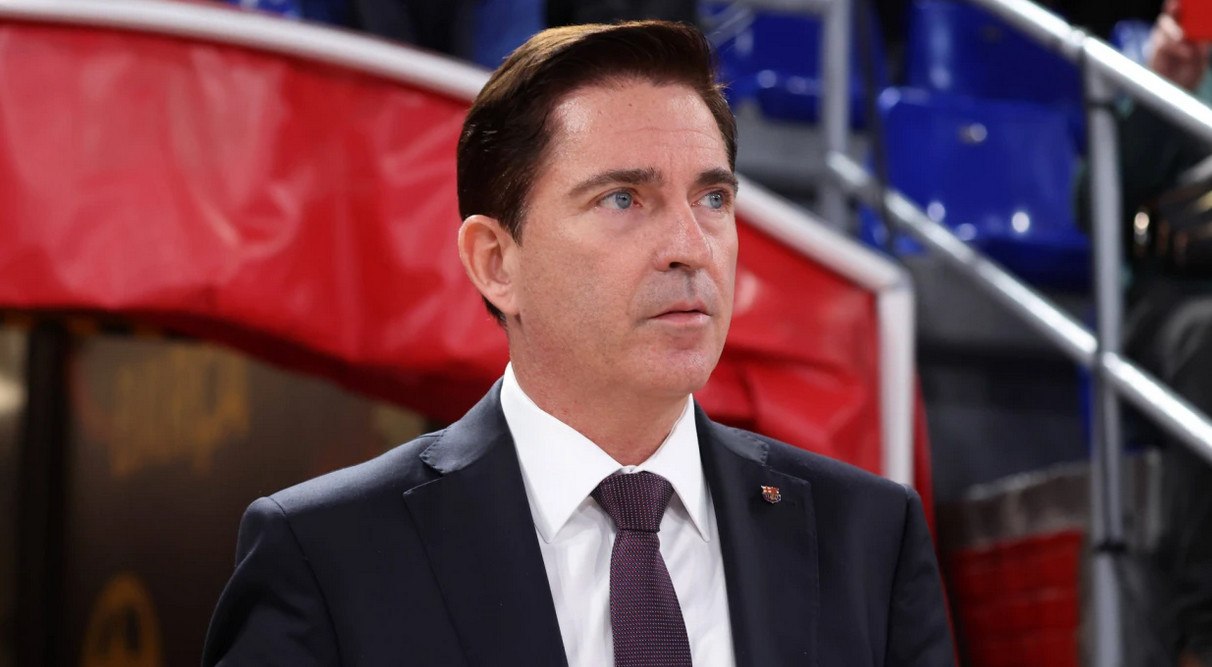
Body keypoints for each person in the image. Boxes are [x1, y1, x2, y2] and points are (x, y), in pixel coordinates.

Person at [203, 20, 954, 666]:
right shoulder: (329, 554)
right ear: (496, 263)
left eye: (713, 198)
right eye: (623, 198)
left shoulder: (868, 536)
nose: (691, 247)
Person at [1077, 2, 1212, 666]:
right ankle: (1203, 633)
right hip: (1178, 297)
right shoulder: (1170, 59)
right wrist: (1164, 91)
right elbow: (1091, 207)